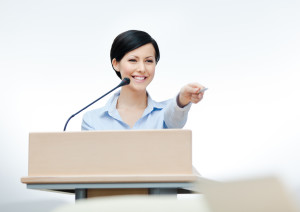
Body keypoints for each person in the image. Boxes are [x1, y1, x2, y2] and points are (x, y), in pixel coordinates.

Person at [81, 30, 206, 130]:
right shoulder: (93, 121)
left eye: (148, 61)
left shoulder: (164, 114)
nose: (142, 68)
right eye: (133, 60)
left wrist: (182, 98)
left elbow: (176, 115)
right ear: (116, 64)